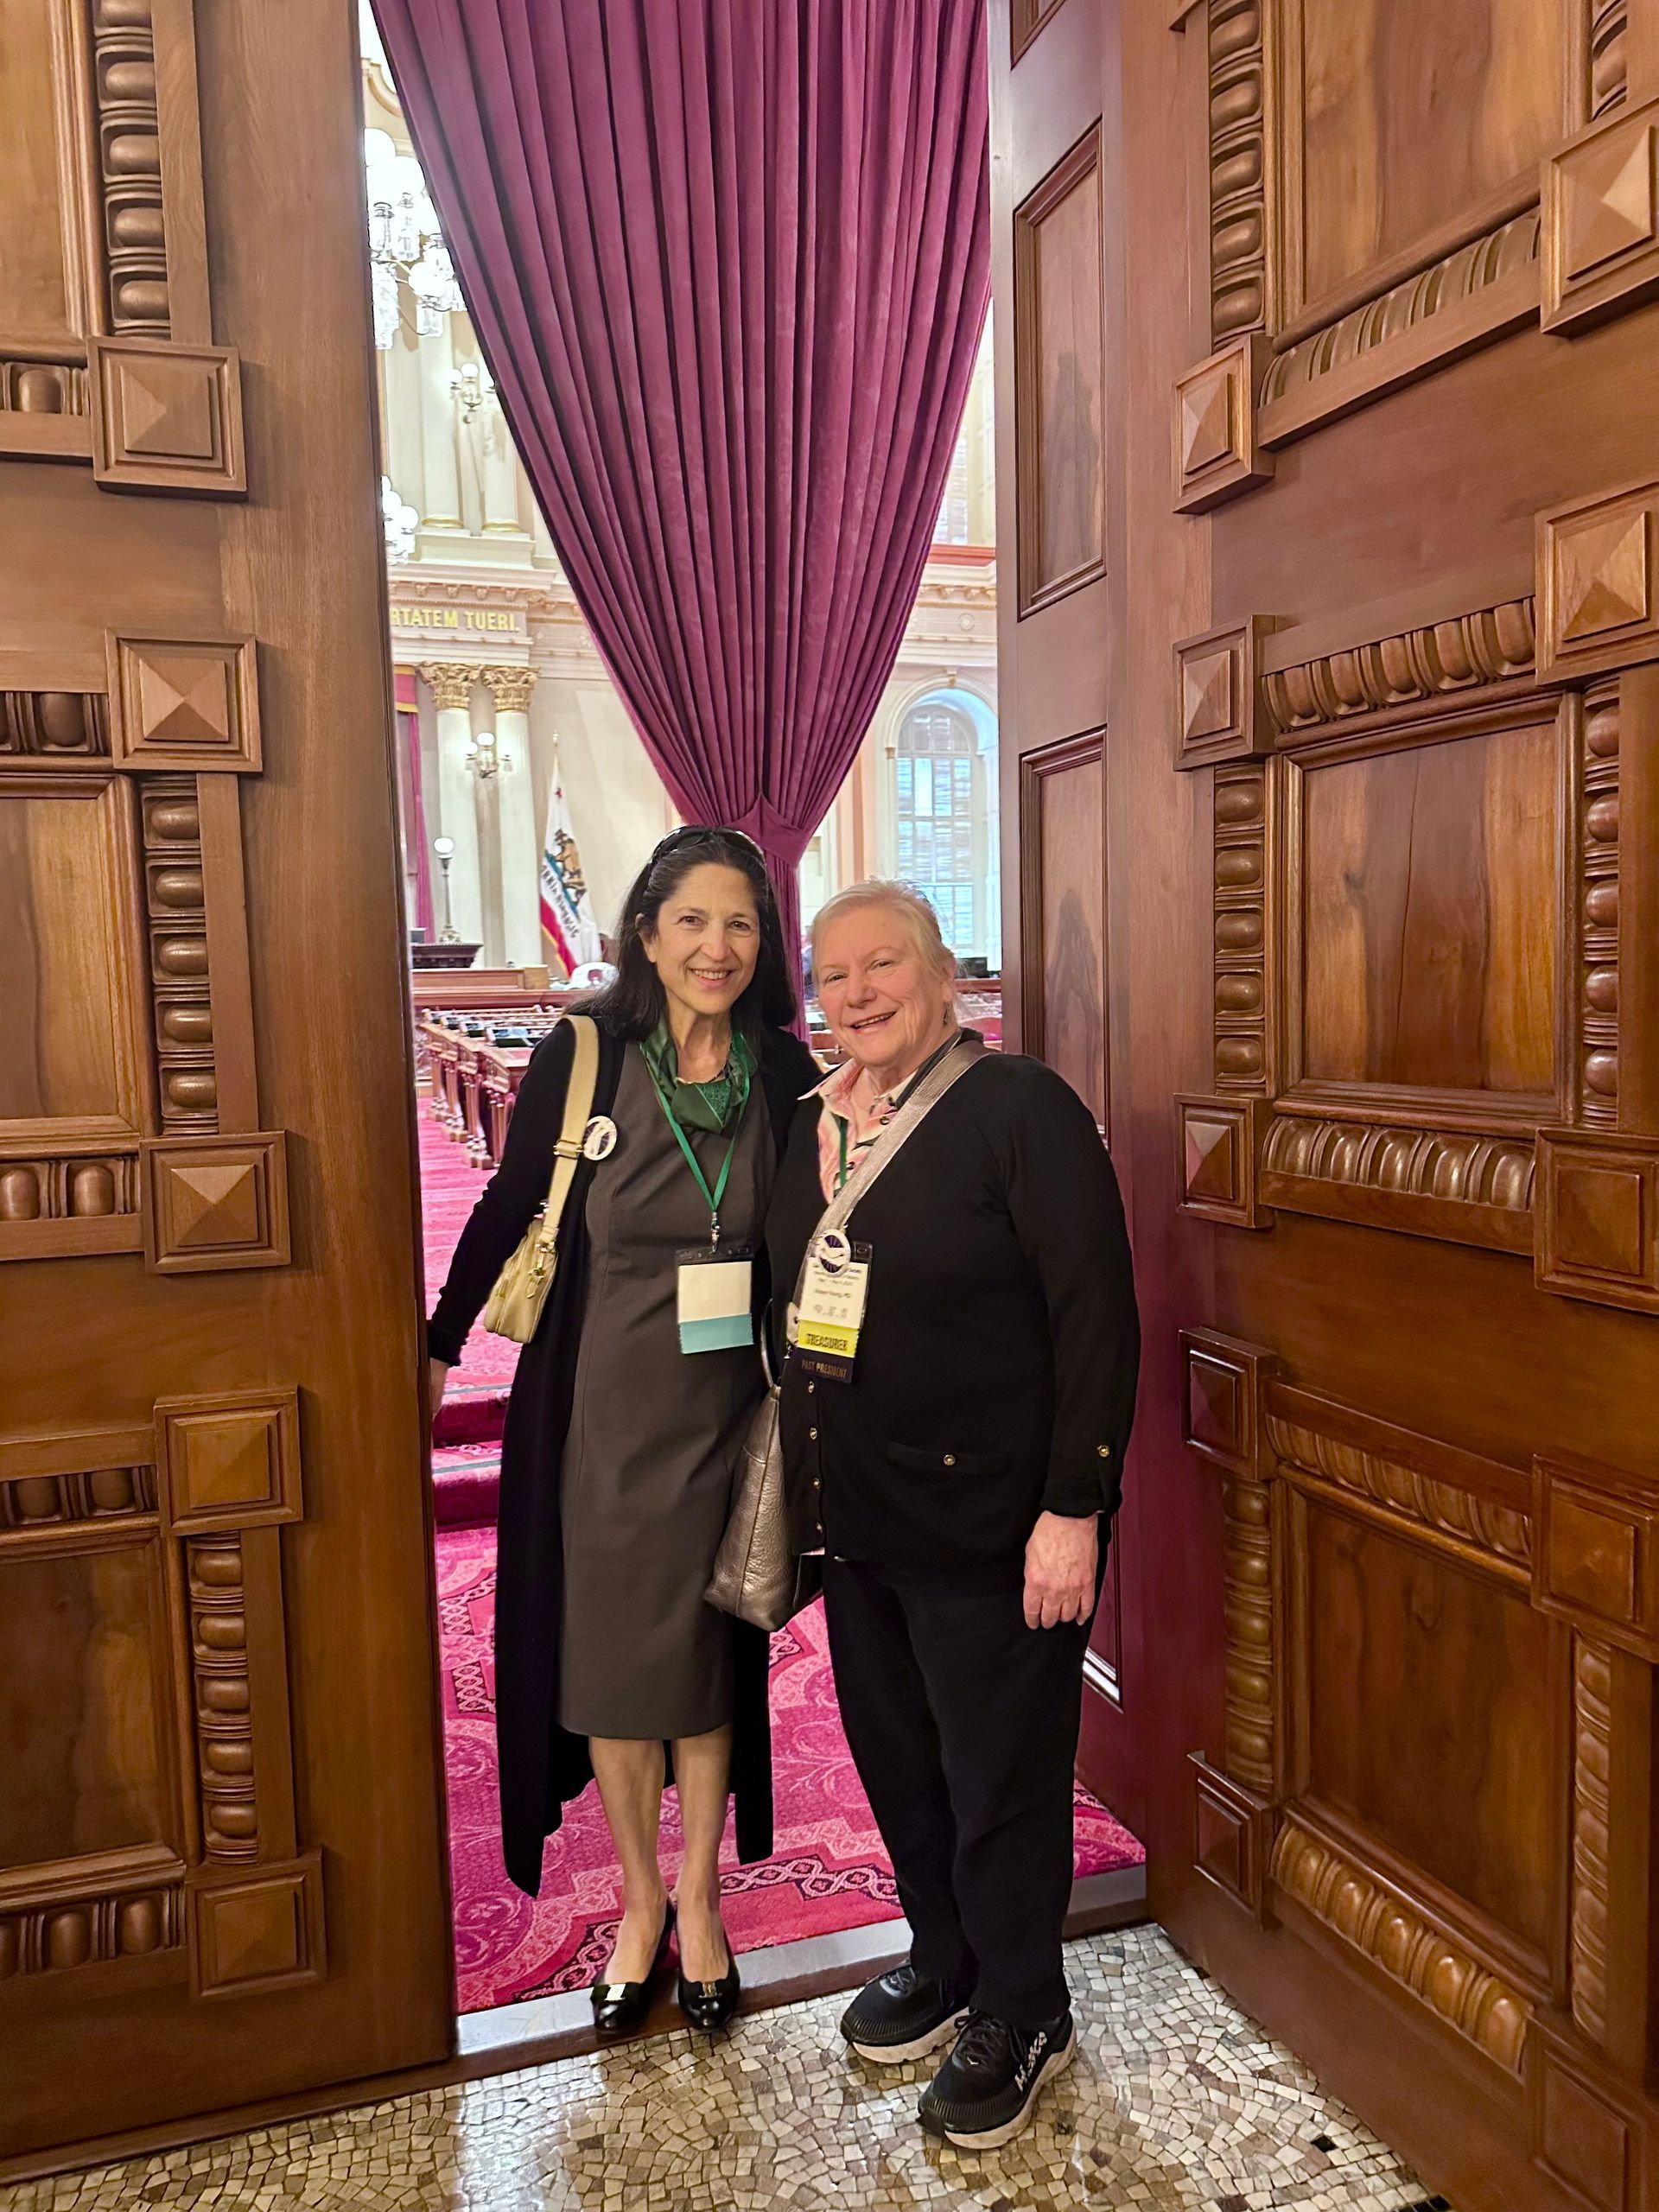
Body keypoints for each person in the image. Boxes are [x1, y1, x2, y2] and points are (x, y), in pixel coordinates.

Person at [765, 881, 1139, 2149]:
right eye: (837, 973)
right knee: (903, 1766)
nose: (860, 992)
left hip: (994, 1530)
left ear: (941, 976)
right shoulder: (817, 1119)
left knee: (1001, 1780)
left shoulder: (1015, 1107)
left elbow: (1097, 1317)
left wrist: (1073, 1507)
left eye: (886, 965)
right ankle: (945, 1960)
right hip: (858, 1520)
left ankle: (1025, 2002)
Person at [427, 827, 818, 2037]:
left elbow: (822, 1229)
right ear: (646, 931)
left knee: (705, 1665)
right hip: (597, 1409)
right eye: (693, 920)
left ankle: (699, 1899)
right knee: (607, 1668)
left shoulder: (786, 1067)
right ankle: (639, 1905)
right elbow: (505, 1203)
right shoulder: (586, 1055)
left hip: (728, 1414)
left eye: (742, 923)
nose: (718, 947)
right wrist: (437, 1348)